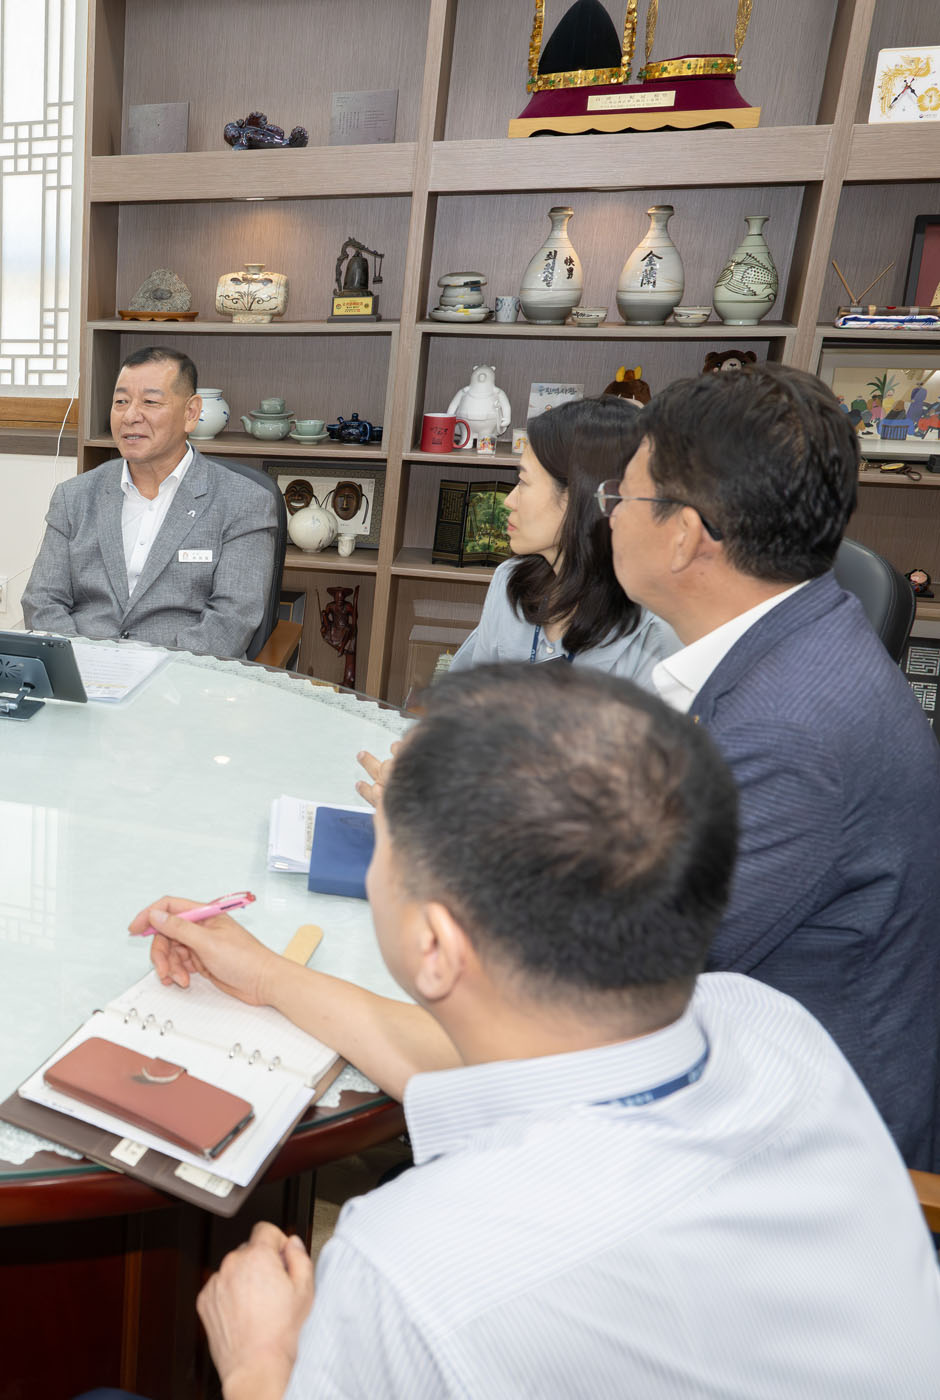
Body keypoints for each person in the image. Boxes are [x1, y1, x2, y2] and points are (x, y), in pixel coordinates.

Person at [134, 666, 940, 1400]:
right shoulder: (766, 1024)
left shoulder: (411, 1267)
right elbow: (474, 1071)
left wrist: (259, 1362)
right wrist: (268, 977)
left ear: (434, 947)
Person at [604, 362, 940, 1171]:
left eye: (622, 497)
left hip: (797, 1161)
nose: (608, 516)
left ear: (684, 535)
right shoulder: (806, 634)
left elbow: (616, 981)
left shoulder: (789, 729)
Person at [22, 346, 280, 659]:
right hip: (84, 669)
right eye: (121, 402)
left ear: (191, 413)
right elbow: (42, 602)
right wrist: (80, 665)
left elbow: (231, 622)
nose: (131, 416)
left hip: (184, 676)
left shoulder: (243, 502)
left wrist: (156, 676)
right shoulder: (74, 496)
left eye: (150, 402)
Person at [447, 396, 676, 683]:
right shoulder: (511, 582)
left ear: (578, 496)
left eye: (524, 481)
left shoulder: (654, 630)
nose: (509, 500)